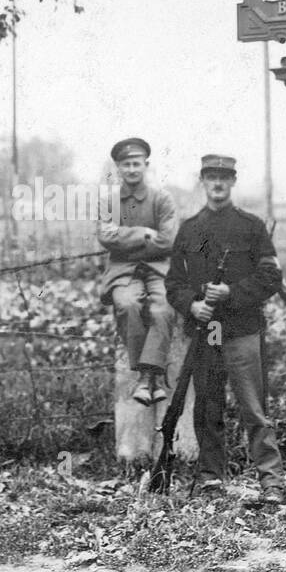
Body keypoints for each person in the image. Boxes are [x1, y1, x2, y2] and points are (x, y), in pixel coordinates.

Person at [165, 154, 286, 504]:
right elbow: (173, 282)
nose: (217, 183)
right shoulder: (189, 229)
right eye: (211, 177)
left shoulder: (251, 226)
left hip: (241, 328)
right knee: (207, 406)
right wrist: (192, 304)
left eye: (224, 177)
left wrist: (233, 292)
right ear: (202, 181)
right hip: (206, 331)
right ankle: (211, 480)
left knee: (253, 407)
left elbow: (271, 277)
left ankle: (271, 482)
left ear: (233, 182)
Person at [99, 137, 178, 404]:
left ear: (146, 165)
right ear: (118, 168)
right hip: (123, 270)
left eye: (136, 163)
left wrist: (127, 241)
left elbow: (168, 240)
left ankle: (146, 379)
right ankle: (148, 377)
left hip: (158, 268)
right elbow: (105, 236)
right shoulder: (110, 202)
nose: (131, 169)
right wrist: (144, 234)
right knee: (127, 303)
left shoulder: (162, 199)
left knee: (162, 309)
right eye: (125, 164)